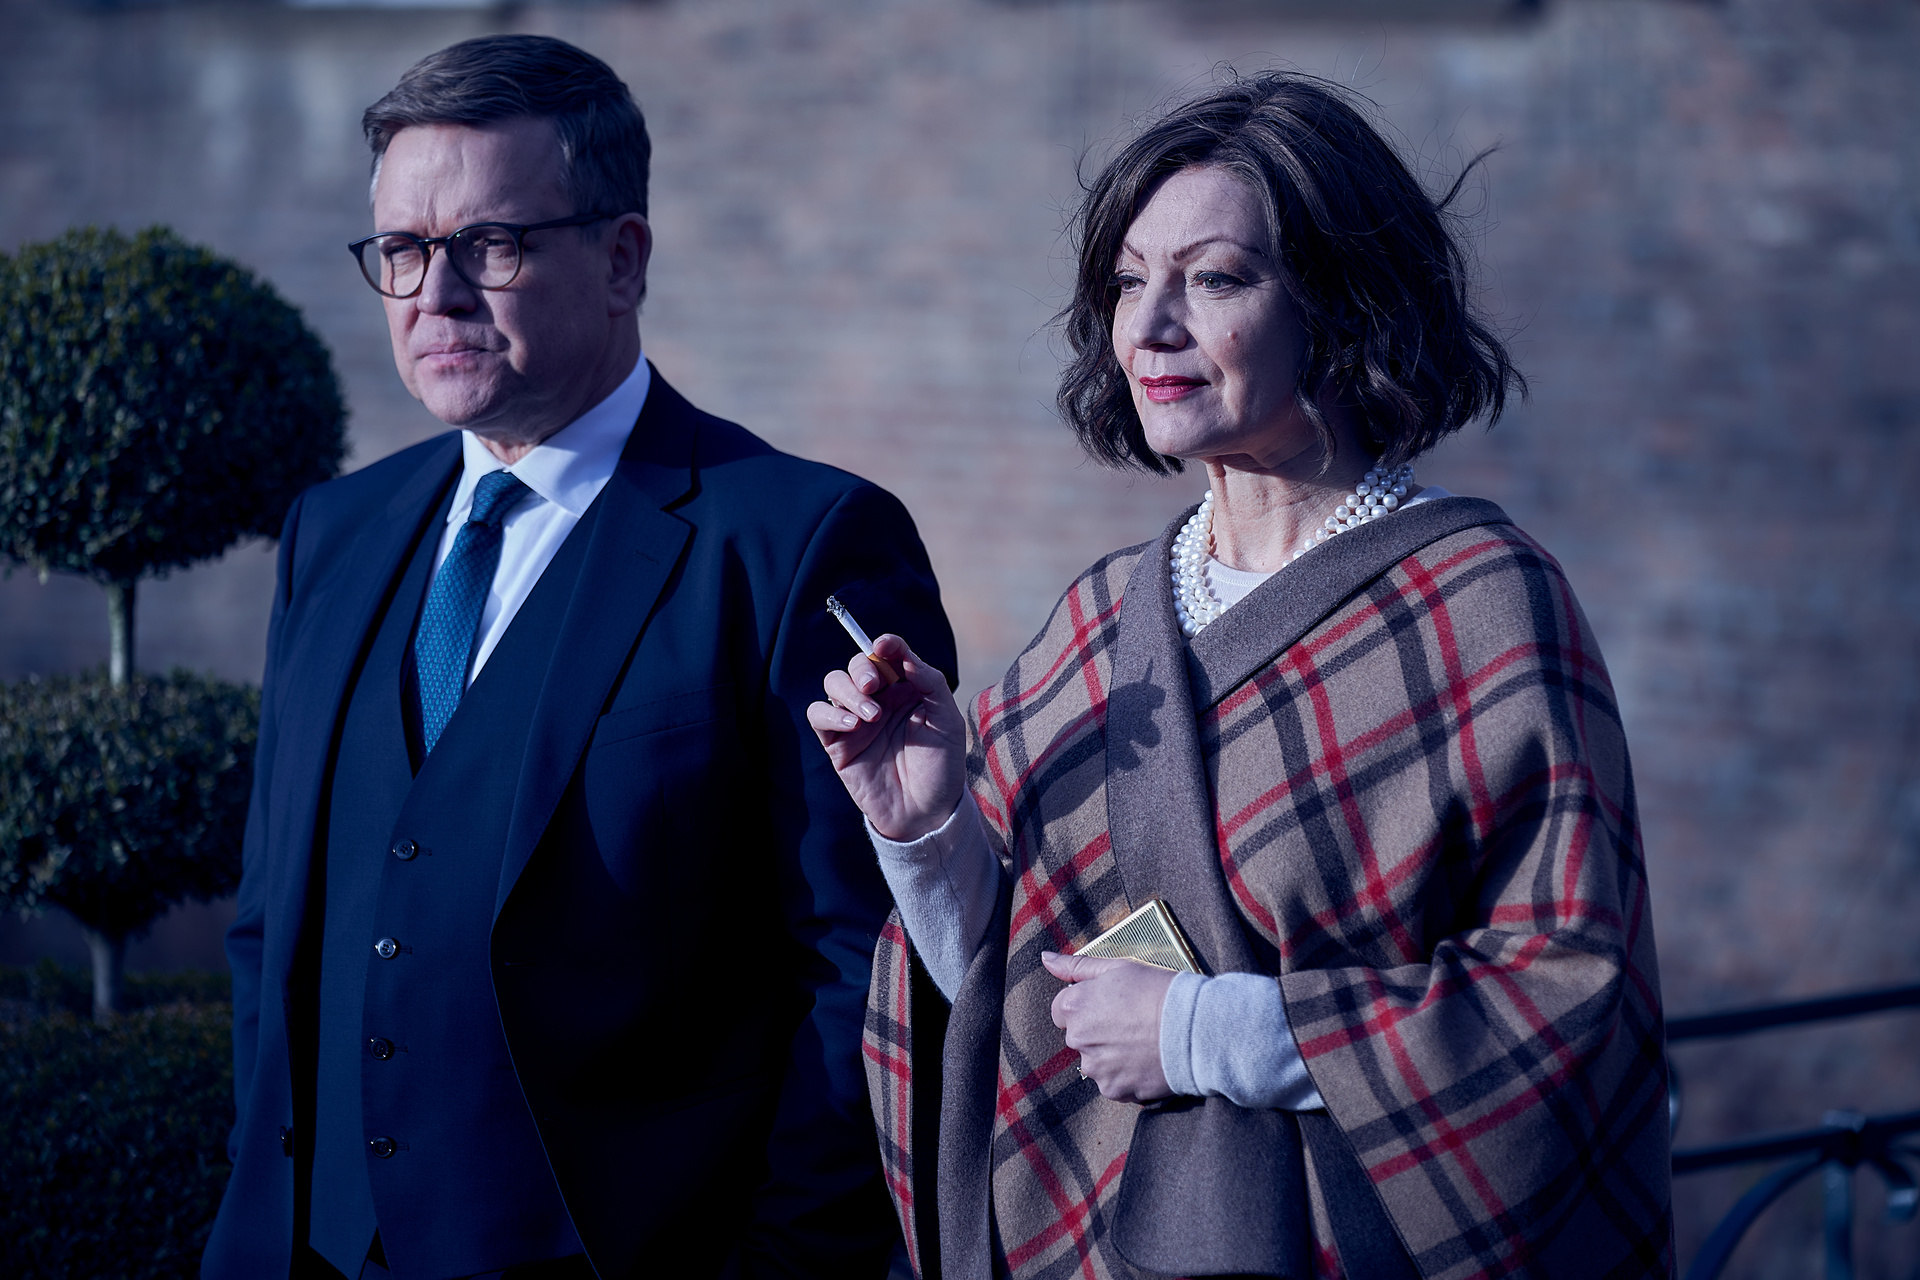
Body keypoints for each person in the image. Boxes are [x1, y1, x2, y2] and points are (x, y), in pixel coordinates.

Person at [812, 74, 1671, 1280]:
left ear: (1339, 302)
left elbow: (1570, 994)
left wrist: (1211, 1032)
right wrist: (928, 830)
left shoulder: (1484, 603)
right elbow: (1016, 1006)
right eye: (1128, 281)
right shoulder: (1094, 622)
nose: (1150, 327)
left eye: (1213, 278)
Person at [203, 34, 955, 1280]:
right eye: (402, 250)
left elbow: (864, 970)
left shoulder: (797, 540)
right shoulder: (329, 535)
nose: (435, 294)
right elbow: (270, 926)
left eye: (490, 245)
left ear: (622, 258)